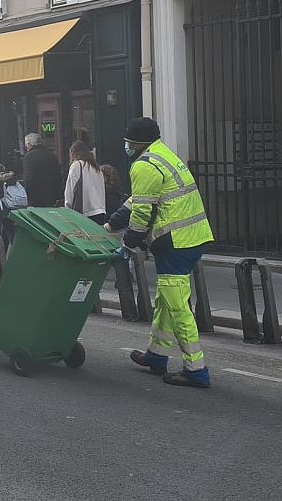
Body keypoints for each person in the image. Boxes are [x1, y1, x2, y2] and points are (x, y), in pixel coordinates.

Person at [105, 117, 214, 388]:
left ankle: (196, 369)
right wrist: (112, 223)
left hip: (174, 243)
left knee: (178, 306)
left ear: (137, 142)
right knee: (166, 300)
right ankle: (157, 355)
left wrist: (127, 246)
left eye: (129, 141)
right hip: (193, 237)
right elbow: (138, 200)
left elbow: (142, 213)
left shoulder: (144, 165)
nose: (126, 145)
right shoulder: (162, 154)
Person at [63, 140, 107, 225]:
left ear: (73, 152)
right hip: (100, 211)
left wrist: (67, 209)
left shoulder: (77, 165)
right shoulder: (96, 168)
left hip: (84, 212)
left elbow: (70, 191)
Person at [0, 164, 24, 248]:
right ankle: (4, 251)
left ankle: (14, 250)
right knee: (6, 232)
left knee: (10, 233)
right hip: (15, 208)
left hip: (4, 211)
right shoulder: (12, 179)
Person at [22, 133, 62, 207]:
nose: (26, 147)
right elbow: (58, 177)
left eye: (26, 145)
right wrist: (58, 196)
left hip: (36, 197)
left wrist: (28, 196)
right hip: (51, 196)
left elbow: (29, 178)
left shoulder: (29, 157)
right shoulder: (52, 155)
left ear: (29, 144)